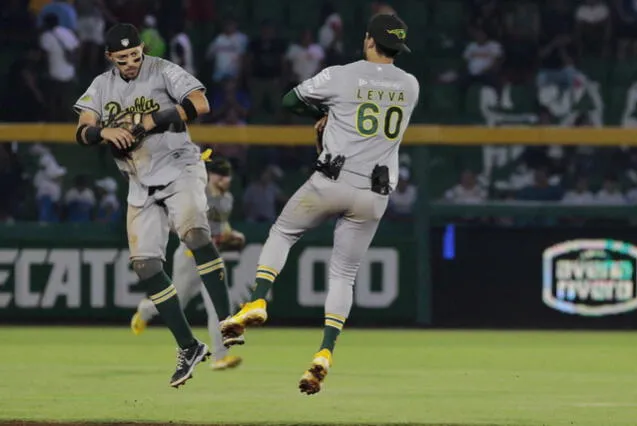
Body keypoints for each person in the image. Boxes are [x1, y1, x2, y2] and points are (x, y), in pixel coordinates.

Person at [220, 14, 419, 395]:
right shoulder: (410, 85)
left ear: (367, 41)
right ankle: (325, 351)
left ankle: (258, 299)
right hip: (375, 193)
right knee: (344, 274)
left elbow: (289, 100)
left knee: (283, 231)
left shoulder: (341, 75)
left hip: (332, 180)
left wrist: (324, 114)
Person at [73, 23, 235, 388]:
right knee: (145, 266)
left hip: (180, 167)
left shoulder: (162, 70)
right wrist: (103, 132)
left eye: (135, 54)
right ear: (110, 57)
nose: (131, 62)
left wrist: (150, 120)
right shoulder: (101, 86)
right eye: (123, 57)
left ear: (142, 49)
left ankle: (227, 321)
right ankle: (189, 346)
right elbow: (82, 130)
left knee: (195, 235)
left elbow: (201, 103)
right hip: (140, 182)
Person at [131, 157, 244, 371]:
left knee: (217, 306)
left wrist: (231, 236)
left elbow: (221, 227)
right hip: (189, 256)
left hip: (211, 258)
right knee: (177, 301)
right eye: (221, 174)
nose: (225, 179)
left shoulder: (227, 198)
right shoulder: (197, 191)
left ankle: (220, 357)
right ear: (210, 175)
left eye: (227, 175)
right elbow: (174, 223)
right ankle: (146, 310)